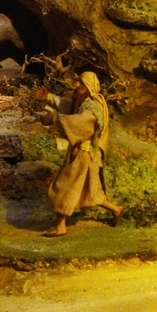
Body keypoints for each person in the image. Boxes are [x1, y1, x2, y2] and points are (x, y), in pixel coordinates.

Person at [44, 73, 120, 235]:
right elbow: (70, 106)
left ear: (87, 87)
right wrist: (49, 97)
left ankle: (60, 226)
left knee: (63, 186)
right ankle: (116, 209)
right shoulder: (87, 102)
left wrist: (55, 118)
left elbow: (80, 123)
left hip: (83, 154)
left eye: (80, 84)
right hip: (87, 153)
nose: (77, 87)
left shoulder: (92, 107)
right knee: (93, 191)